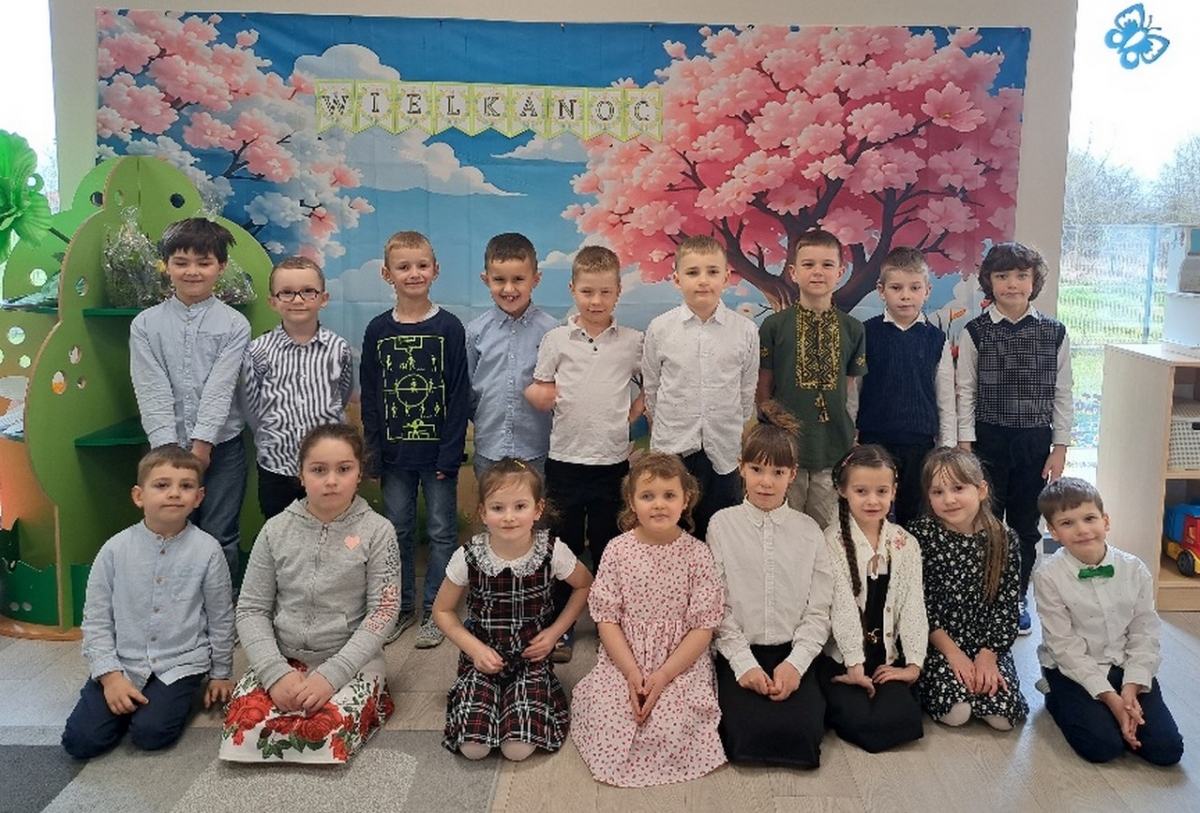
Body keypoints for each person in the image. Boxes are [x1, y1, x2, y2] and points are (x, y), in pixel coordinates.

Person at [219, 423, 400, 763]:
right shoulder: (275, 530)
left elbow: (384, 611)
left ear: (359, 473)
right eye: (318, 470)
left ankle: (366, 698)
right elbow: (251, 609)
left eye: (343, 469)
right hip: (284, 657)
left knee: (324, 734)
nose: (331, 480)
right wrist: (275, 673)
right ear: (301, 475)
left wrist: (332, 675)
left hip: (350, 659)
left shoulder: (378, 531)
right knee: (243, 731)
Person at [62, 446, 233, 759]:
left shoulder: (208, 551)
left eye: (186, 486)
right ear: (139, 496)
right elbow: (96, 619)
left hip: (180, 662)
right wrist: (110, 677)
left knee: (151, 734)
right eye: (162, 485)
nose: (174, 493)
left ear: (199, 497)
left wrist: (221, 673)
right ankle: (121, 697)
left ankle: (167, 698)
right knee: (81, 741)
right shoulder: (114, 550)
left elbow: (220, 616)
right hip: (123, 662)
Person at [570, 452, 726, 787]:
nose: (659, 505)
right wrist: (630, 672)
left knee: (674, 724)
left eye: (669, 495)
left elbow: (703, 627)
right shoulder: (617, 551)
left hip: (679, 661)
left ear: (686, 500)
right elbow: (607, 620)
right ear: (631, 501)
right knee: (609, 715)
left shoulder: (698, 554)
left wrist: (664, 674)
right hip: (625, 656)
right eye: (647, 496)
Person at [432, 458, 593, 761]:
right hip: (483, 660)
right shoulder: (469, 555)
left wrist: (554, 633)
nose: (509, 517)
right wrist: (475, 649)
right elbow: (442, 611)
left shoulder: (552, 550)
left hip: (531, 660)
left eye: (520, 507)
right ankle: (488, 701)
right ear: (483, 512)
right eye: (498, 508)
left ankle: (523, 704)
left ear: (538, 509)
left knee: (517, 749)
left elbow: (584, 585)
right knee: (473, 748)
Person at [527, 245, 643, 663]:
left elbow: (651, 386)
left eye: (605, 292)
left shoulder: (633, 342)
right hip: (564, 462)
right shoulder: (556, 340)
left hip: (612, 465)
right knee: (563, 546)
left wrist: (630, 415)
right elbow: (542, 387)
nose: (596, 301)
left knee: (612, 546)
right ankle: (561, 626)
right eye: (587, 292)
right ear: (572, 289)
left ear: (618, 292)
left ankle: (612, 624)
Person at [956, 241, 1073, 634]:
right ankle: (985, 595)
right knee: (985, 522)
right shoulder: (975, 331)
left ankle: (1015, 597)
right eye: (1002, 276)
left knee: (1025, 526)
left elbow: (1063, 393)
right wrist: (965, 447)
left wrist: (1059, 447)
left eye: (1021, 275)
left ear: (1034, 281)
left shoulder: (1054, 332)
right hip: (988, 440)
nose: (1012, 284)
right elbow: (966, 391)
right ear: (989, 281)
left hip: (1034, 443)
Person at [707, 402, 833, 768]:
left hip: (793, 650)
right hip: (738, 648)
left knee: (804, 737)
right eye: (757, 469)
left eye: (778, 472)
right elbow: (716, 606)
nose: (766, 481)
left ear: (792, 474)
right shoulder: (721, 525)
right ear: (741, 467)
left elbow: (818, 610)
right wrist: (743, 664)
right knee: (743, 738)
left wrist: (796, 663)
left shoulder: (809, 531)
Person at [361, 230, 468, 649]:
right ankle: (402, 607)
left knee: (442, 533)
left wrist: (450, 453)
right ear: (387, 274)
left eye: (422, 265)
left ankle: (436, 611)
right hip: (394, 458)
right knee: (397, 532)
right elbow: (371, 396)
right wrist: (372, 453)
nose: (414, 273)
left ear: (435, 270)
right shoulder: (377, 330)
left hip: (438, 455)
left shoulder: (449, 327)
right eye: (403, 267)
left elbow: (458, 396)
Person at [129, 217, 249, 588]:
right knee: (169, 529)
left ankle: (221, 607)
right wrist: (168, 451)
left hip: (223, 447)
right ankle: (174, 606)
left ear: (221, 267)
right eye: (181, 262)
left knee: (220, 532)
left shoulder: (234, 324)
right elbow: (150, 387)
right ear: (166, 265)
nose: (192, 271)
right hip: (166, 446)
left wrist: (203, 444)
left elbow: (220, 387)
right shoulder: (145, 325)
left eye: (204, 262)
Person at [1033, 477, 1183, 765]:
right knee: (1103, 748)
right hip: (1073, 668)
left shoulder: (1135, 569)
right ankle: (1055, 696)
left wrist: (1131, 688)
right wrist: (1112, 700)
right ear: (1053, 531)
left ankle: (1114, 708)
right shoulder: (1048, 577)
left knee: (1167, 751)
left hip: (1125, 664)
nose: (1082, 530)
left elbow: (1145, 632)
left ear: (1105, 520)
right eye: (1067, 523)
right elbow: (1064, 646)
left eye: (1089, 518)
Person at [642, 235, 759, 540]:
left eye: (712, 271)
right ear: (677, 279)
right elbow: (652, 388)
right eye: (693, 272)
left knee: (720, 532)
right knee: (671, 531)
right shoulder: (660, 328)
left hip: (724, 449)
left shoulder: (745, 331)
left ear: (726, 277)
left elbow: (746, 390)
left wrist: (731, 426)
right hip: (673, 448)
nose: (703, 280)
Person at [908, 447, 1027, 730]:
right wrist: (952, 653)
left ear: (981, 490)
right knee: (957, 712)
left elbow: (1007, 606)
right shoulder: (920, 535)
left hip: (987, 643)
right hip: (939, 642)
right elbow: (919, 603)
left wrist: (988, 656)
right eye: (938, 492)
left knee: (1003, 717)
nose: (949, 499)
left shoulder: (1004, 538)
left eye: (958, 488)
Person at [819, 444, 927, 753]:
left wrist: (913, 665)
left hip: (886, 656)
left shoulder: (906, 543)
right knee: (862, 721)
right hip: (843, 658)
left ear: (894, 491)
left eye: (882, 491)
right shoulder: (831, 542)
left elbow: (913, 605)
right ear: (843, 491)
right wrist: (855, 664)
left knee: (903, 720)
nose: (872, 500)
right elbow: (840, 607)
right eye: (861, 491)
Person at [757, 228, 867, 528]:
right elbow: (763, 388)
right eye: (808, 264)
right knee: (782, 528)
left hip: (832, 449)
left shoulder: (854, 329)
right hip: (784, 451)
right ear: (793, 272)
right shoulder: (774, 326)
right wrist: (771, 435)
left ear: (840, 272)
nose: (818, 272)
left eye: (827, 264)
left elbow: (847, 391)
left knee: (825, 531)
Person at [242, 255, 352, 521]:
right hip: (277, 467)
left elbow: (343, 394)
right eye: (287, 293)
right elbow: (252, 405)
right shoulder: (258, 351)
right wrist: (272, 437)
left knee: (331, 529)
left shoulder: (338, 348)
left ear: (323, 298)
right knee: (281, 532)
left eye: (308, 291)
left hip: (328, 469)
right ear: (273, 301)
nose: (298, 300)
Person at [856, 247, 955, 526]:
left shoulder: (936, 339)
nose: (905, 296)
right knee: (872, 512)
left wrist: (947, 450)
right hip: (874, 443)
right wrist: (850, 440)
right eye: (896, 288)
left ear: (927, 291)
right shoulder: (866, 334)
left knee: (915, 516)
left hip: (920, 447)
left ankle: (910, 556)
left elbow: (946, 399)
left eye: (914, 288)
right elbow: (854, 392)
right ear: (881, 290)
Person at [466, 233, 559, 484]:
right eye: (499, 280)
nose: (509, 289)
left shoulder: (553, 332)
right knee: (492, 507)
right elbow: (468, 392)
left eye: (518, 279)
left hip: (537, 449)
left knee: (538, 508)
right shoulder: (475, 332)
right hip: (490, 449)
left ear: (535, 279)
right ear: (486, 279)